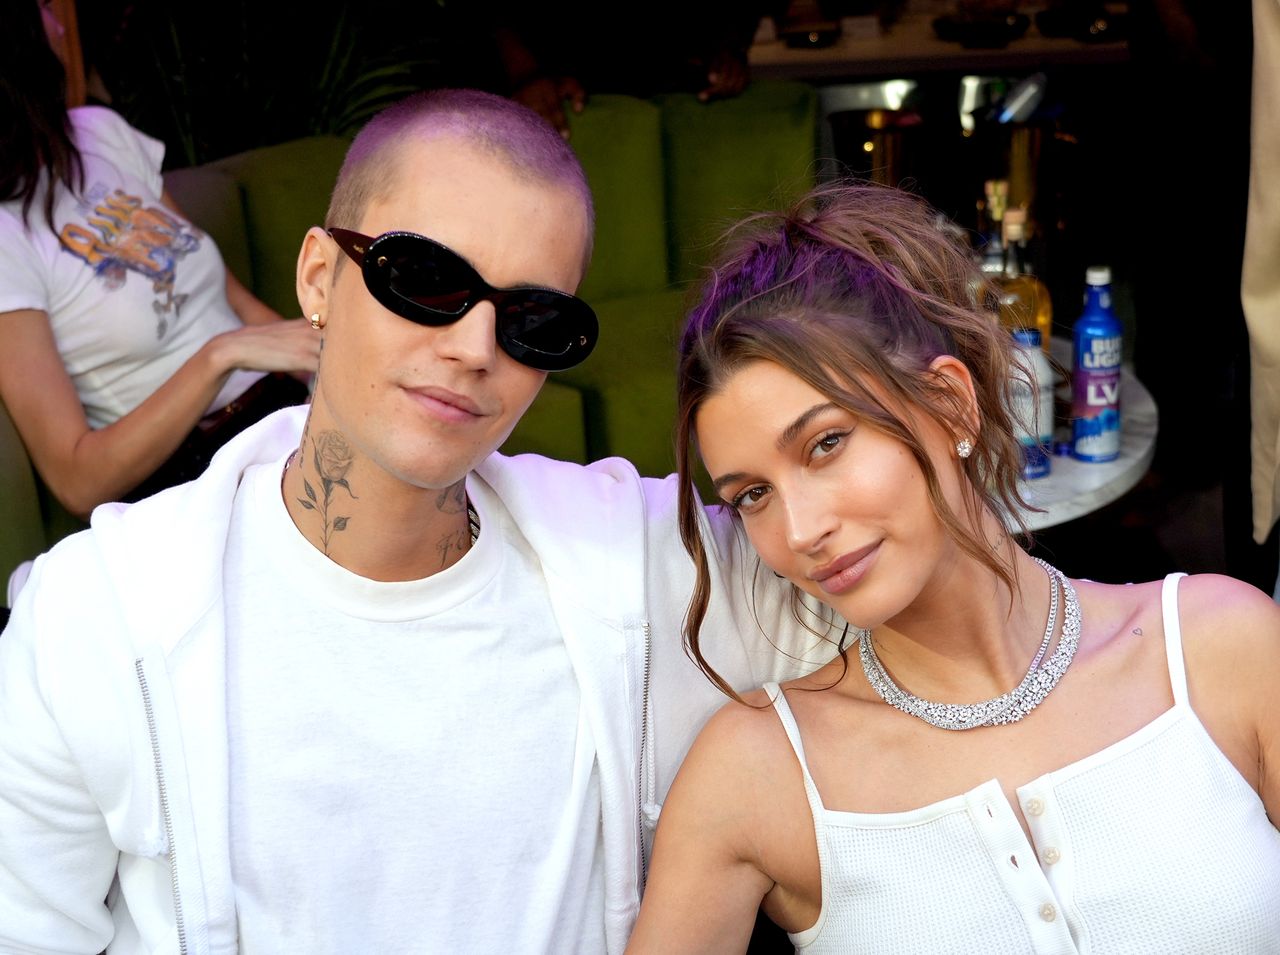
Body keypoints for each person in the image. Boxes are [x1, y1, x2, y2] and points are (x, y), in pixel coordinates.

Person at [0, 88, 838, 952]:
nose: (476, 348)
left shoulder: (638, 561)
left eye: (533, 322)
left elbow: (915, 587)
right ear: (319, 278)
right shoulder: (92, 620)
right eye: (428, 280)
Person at [627, 183, 1280, 953]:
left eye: (826, 444)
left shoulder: (1219, 649)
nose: (800, 530)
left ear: (950, 405)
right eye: (752, 495)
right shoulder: (756, 773)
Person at [0, 0, 319, 519]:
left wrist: (329, 366)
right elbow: (78, 481)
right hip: (196, 469)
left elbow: (236, 302)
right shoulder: (6, 238)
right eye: (41, 7)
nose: (59, 22)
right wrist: (220, 356)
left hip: (283, 413)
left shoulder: (100, 133)